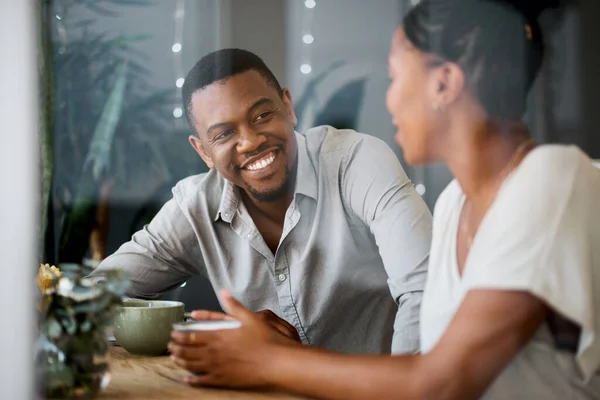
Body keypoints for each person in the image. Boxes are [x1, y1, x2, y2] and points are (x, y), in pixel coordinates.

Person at [167, 1, 600, 398]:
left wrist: (267, 359)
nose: (389, 99)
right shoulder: (453, 204)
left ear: (444, 83)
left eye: (395, 77)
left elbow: (444, 383)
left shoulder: (550, 179)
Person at [95, 48, 433, 355]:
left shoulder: (356, 163)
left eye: (261, 116)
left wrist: (402, 387)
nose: (251, 141)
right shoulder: (195, 207)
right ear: (203, 151)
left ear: (288, 107)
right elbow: (89, 299)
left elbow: (424, 292)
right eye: (224, 134)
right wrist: (220, 331)